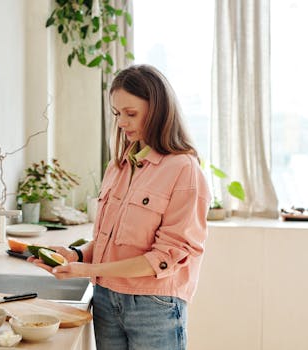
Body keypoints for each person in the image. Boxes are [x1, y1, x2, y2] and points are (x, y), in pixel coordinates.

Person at [29, 64, 210, 350]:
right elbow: (112, 241)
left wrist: (84, 269)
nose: (122, 122)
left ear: (159, 111)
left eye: (131, 113)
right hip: (106, 299)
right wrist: (76, 254)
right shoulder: (119, 166)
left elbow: (164, 258)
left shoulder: (184, 170)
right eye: (117, 114)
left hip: (153, 306)